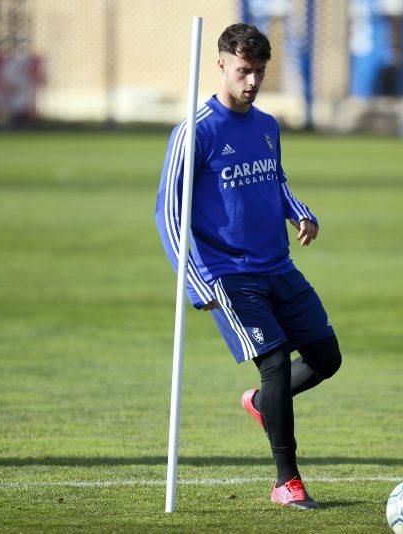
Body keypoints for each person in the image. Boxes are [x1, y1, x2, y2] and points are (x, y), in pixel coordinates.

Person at [155, 23, 342, 510]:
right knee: (275, 364)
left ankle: (261, 407)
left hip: (278, 266)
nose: (252, 81)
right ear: (221, 64)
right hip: (229, 274)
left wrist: (299, 210)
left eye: (259, 72)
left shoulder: (266, 126)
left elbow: (274, 179)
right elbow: (168, 213)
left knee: (326, 358)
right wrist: (197, 281)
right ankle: (288, 482)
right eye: (243, 71)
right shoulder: (195, 131)